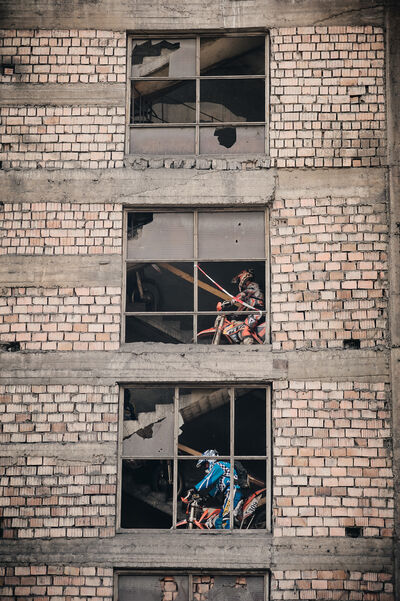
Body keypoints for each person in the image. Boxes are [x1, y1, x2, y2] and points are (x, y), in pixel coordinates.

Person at [189, 449, 242, 529]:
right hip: (230, 494)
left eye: (206, 464)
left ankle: (231, 536)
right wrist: (206, 498)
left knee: (226, 518)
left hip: (233, 492)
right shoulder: (221, 468)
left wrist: (195, 489)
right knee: (218, 521)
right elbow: (216, 488)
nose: (206, 467)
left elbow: (208, 480)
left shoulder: (218, 465)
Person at [228, 269, 265, 344]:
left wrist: (232, 301)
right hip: (254, 312)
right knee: (241, 326)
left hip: (258, 312)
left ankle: (250, 345)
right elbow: (242, 307)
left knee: (245, 328)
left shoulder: (253, 285)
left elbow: (243, 294)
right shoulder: (249, 297)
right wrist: (234, 317)